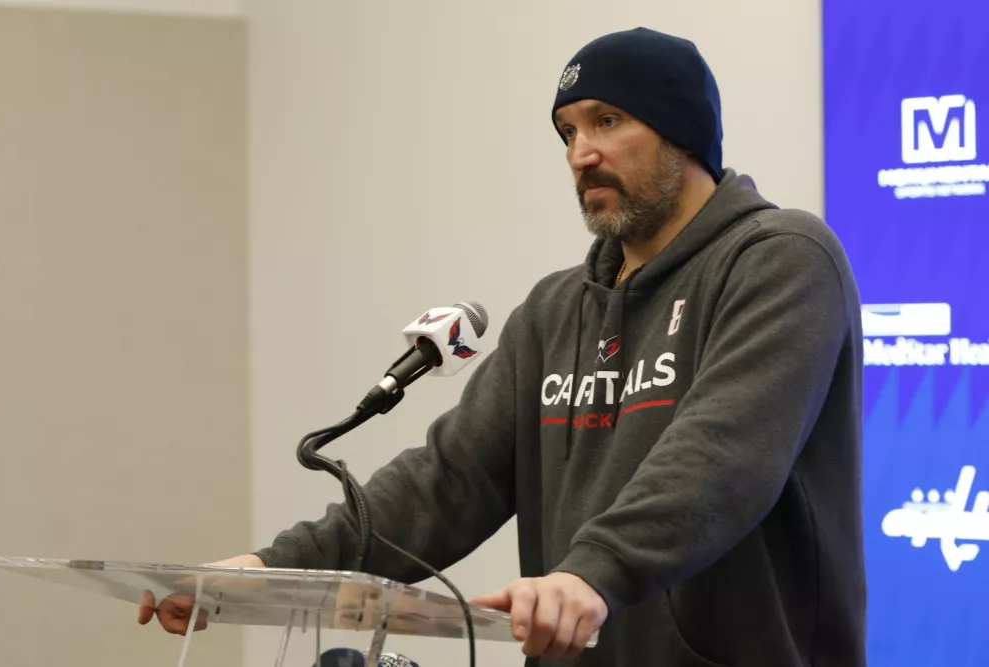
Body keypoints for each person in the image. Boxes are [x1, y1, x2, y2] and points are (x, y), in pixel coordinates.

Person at [139, 27, 867, 667]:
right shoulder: (555, 310)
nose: (581, 154)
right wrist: (270, 568)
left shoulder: (781, 260)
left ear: (683, 134)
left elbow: (721, 457)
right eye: (567, 132)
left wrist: (591, 573)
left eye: (607, 121)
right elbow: (445, 482)